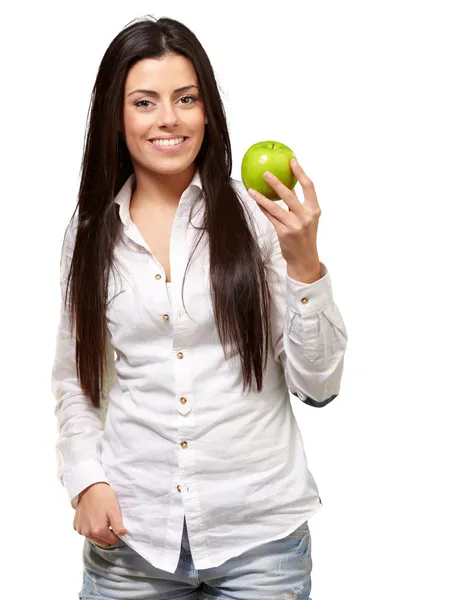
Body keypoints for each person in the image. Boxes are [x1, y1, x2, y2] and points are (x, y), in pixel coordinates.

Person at [51, 15, 348, 600]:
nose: (169, 119)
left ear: (207, 110)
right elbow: (75, 383)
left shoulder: (257, 217)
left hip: (260, 542)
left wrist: (305, 264)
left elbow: (319, 384)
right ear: (116, 116)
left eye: (186, 99)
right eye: (145, 102)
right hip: (131, 542)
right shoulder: (88, 235)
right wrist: (87, 482)